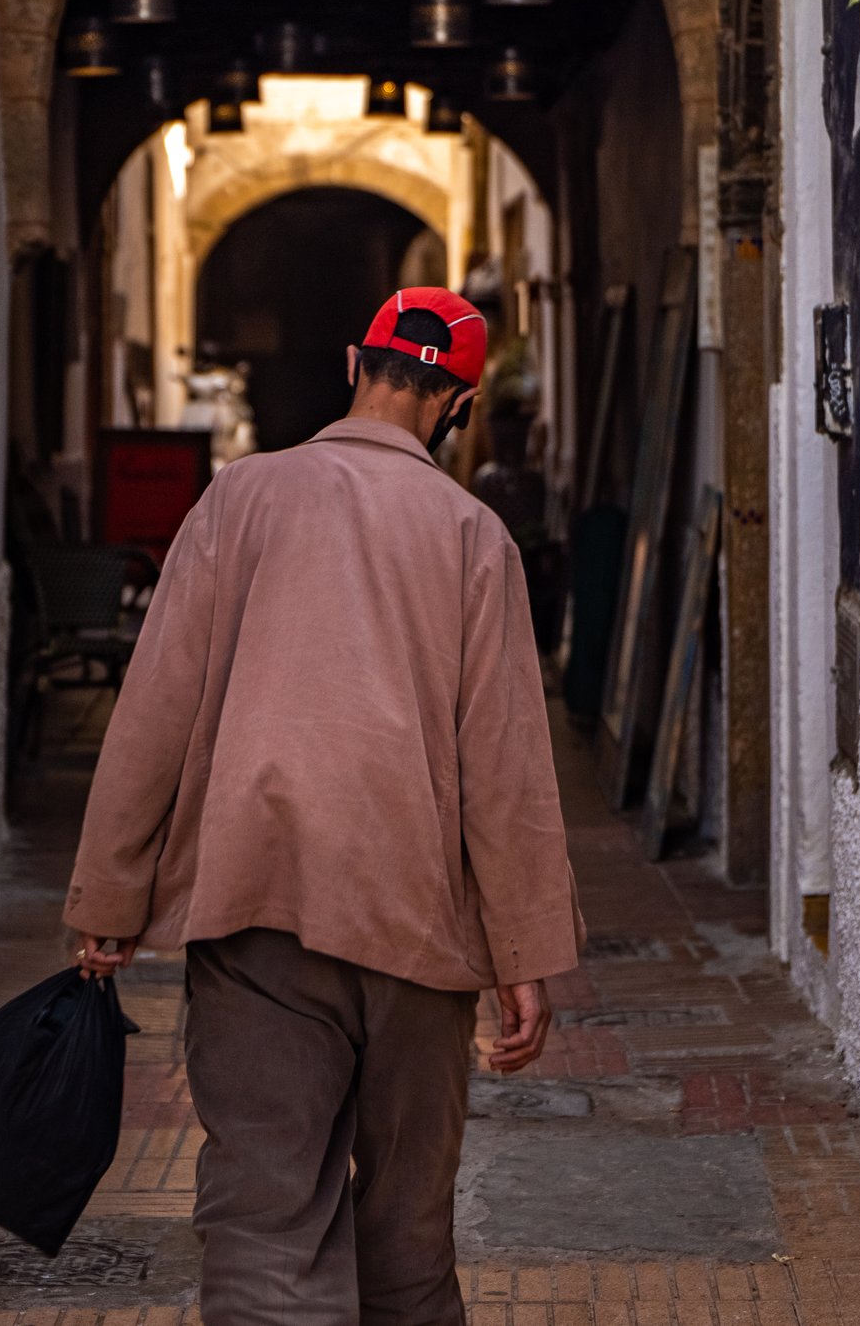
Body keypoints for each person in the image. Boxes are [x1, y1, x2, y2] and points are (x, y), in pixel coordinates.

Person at [67, 286, 582, 1326]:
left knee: (264, 1213)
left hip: (256, 903)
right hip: (416, 918)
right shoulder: (475, 537)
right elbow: (507, 764)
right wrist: (523, 951)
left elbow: (154, 705)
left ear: (358, 358)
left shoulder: (239, 499)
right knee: (405, 1227)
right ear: (458, 403)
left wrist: (109, 894)